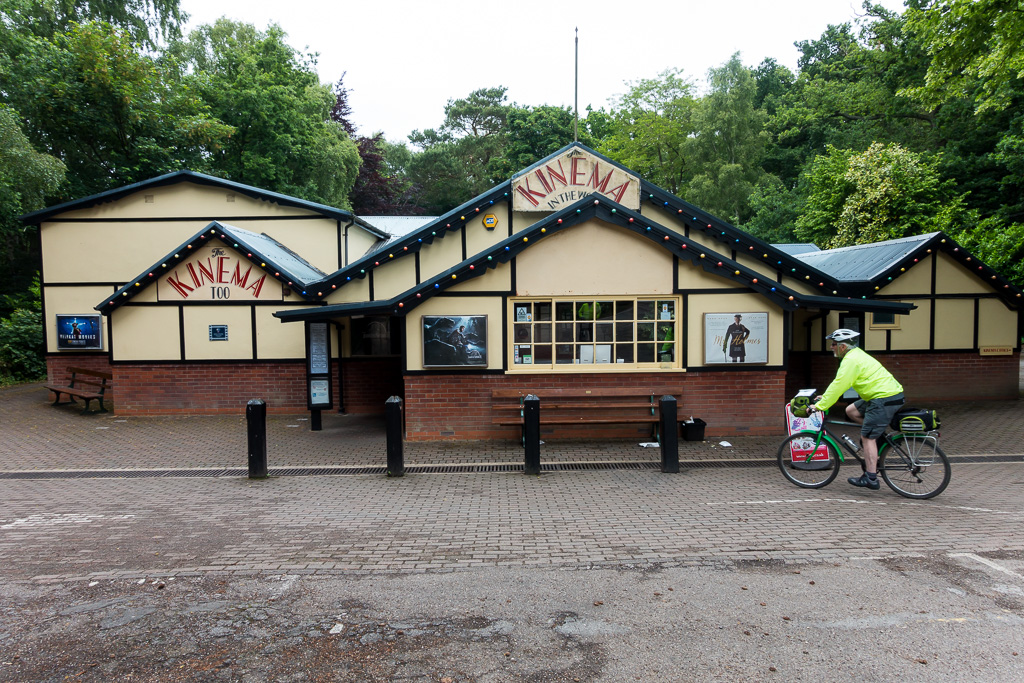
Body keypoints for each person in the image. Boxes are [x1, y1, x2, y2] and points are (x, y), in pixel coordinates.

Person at [810, 329, 905, 490]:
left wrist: (820, 406)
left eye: (834, 344)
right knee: (851, 411)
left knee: (867, 436)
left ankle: (871, 478)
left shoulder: (851, 361)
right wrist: (825, 397)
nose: (831, 347)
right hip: (882, 395)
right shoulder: (855, 355)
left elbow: (840, 384)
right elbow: (838, 384)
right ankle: (878, 436)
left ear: (842, 346)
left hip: (883, 398)